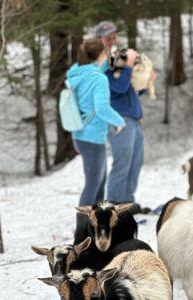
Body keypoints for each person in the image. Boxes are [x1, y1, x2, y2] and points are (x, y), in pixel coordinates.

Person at [66, 37, 125, 206]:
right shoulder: (99, 79)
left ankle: (97, 224)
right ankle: (83, 229)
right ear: (101, 54)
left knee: (99, 183)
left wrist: (116, 53)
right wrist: (119, 122)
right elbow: (102, 108)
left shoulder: (78, 72)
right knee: (93, 185)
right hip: (91, 137)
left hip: (81, 135)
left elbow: (103, 65)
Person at [96, 21, 149, 207]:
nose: (111, 39)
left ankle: (128, 203)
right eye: (106, 37)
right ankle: (115, 207)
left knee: (135, 162)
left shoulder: (117, 57)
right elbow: (118, 86)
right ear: (99, 40)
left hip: (133, 117)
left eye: (113, 35)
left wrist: (145, 83)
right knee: (122, 163)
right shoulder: (102, 64)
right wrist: (129, 65)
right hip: (118, 119)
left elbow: (128, 89)